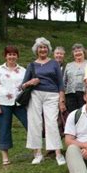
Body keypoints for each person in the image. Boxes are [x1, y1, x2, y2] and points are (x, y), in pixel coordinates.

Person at [22, 37, 66, 165]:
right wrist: (31, 81)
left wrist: (61, 100)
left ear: (48, 49)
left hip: (52, 94)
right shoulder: (31, 65)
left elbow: (60, 83)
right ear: (36, 50)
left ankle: (58, 153)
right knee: (34, 122)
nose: (43, 49)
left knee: (51, 122)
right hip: (35, 94)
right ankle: (38, 154)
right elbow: (23, 85)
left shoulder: (54, 64)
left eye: (45, 47)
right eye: (40, 47)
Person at [0, 45, 28, 165]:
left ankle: (37, 151)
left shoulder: (23, 70)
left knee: (30, 124)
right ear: (5, 56)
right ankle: (5, 157)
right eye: (9, 54)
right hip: (3, 103)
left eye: (14, 54)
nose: (12, 57)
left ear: (17, 56)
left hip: (19, 103)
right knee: (4, 128)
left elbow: (27, 86)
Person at [64, 43, 87, 113]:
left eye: (79, 51)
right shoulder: (69, 65)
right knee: (72, 115)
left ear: (83, 52)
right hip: (70, 94)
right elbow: (64, 82)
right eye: (75, 51)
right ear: (73, 54)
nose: (78, 53)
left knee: (84, 114)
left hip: (85, 94)